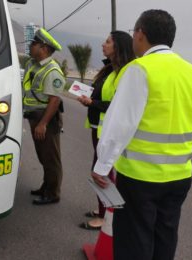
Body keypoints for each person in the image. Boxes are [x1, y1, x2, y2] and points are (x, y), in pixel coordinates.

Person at [91, 10, 192, 260]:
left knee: (135, 240)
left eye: (134, 32)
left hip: (140, 177)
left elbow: (120, 123)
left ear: (141, 34)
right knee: (165, 237)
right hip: (180, 176)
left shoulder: (140, 69)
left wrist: (102, 166)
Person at [77, 31, 135, 230]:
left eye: (108, 42)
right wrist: (89, 99)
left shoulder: (125, 72)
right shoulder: (111, 70)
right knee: (101, 172)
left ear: (118, 46)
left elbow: (117, 105)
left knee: (101, 173)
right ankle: (103, 210)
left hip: (107, 131)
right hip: (98, 128)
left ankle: (106, 217)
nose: (103, 44)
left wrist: (93, 102)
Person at [23, 28, 65, 205]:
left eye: (34, 44)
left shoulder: (52, 70)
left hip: (45, 118)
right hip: (34, 116)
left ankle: (53, 193)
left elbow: (54, 100)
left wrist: (43, 124)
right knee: (42, 155)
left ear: (45, 48)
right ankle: (45, 186)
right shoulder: (32, 64)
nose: (30, 46)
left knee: (51, 158)